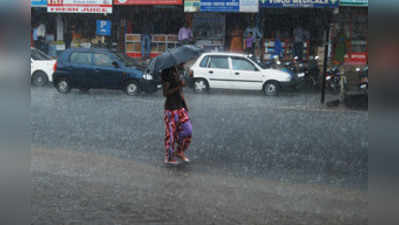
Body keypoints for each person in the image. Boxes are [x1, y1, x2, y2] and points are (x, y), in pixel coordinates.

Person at [161, 65, 192, 165]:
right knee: (170, 135)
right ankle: (169, 157)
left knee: (188, 130)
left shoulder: (178, 71)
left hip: (180, 108)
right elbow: (165, 93)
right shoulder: (166, 72)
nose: (184, 63)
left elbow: (181, 89)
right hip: (171, 109)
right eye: (182, 62)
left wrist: (185, 104)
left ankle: (179, 151)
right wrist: (178, 86)